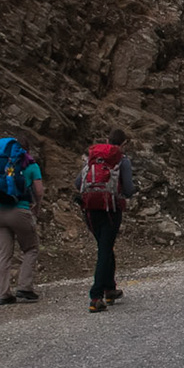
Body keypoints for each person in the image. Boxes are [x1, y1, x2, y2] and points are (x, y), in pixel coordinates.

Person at [76, 127, 136, 313]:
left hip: (90, 211)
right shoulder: (122, 161)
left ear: (107, 140)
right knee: (104, 250)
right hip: (110, 209)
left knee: (105, 247)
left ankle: (110, 288)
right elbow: (128, 189)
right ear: (123, 143)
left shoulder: (93, 158)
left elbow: (78, 183)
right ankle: (96, 296)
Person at [0, 134, 44, 305]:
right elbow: (39, 191)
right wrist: (37, 206)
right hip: (19, 210)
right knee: (31, 248)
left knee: (3, 253)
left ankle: (2, 293)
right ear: (27, 150)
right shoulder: (31, 165)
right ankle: (25, 288)